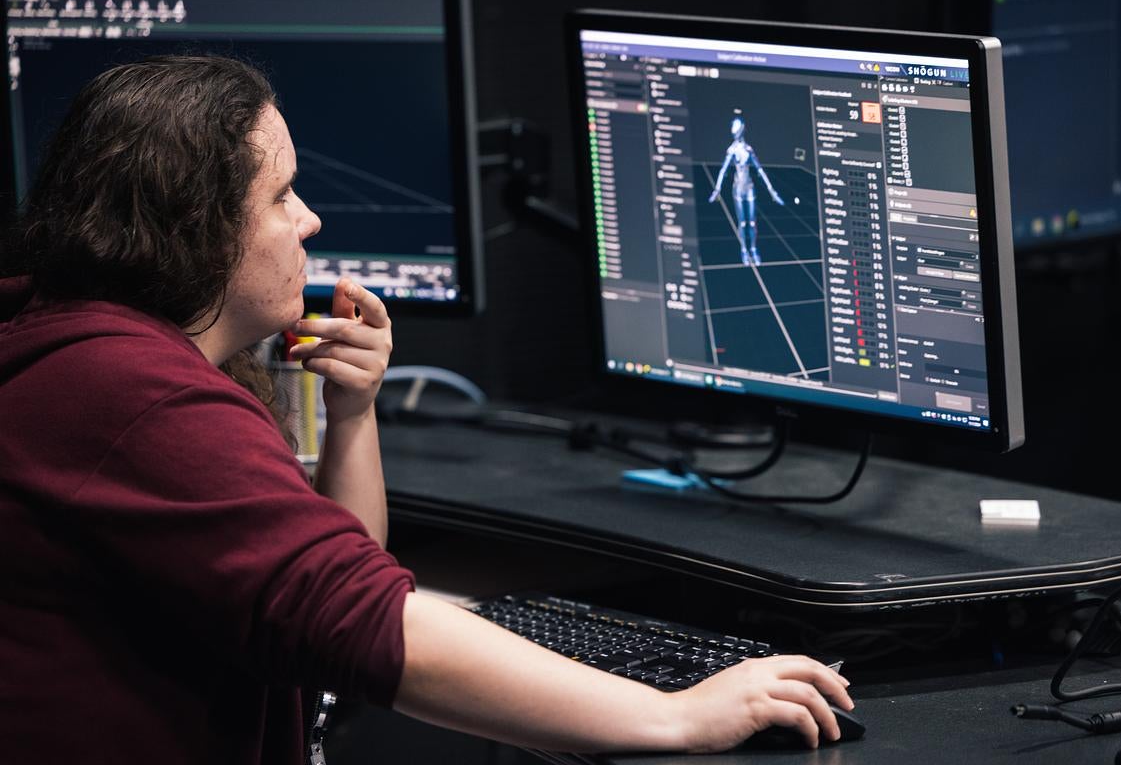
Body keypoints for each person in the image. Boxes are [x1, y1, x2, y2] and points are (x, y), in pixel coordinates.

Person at [0, 56, 853, 763]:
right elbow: (363, 625)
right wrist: (676, 713)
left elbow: (323, 585)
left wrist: (355, 414)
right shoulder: (130, 397)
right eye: (280, 197)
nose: (311, 219)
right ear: (195, 228)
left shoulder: (83, 339)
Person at [707, 110, 785, 266]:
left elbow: (760, 169)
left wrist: (772, 191)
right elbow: (723, 169)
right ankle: (744, 250)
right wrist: (717, 189)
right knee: (742, 223)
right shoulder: (732, 150)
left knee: (752, 223)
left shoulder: (748, 150)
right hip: (738, 189)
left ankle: (753, 249)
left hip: (749, 188)